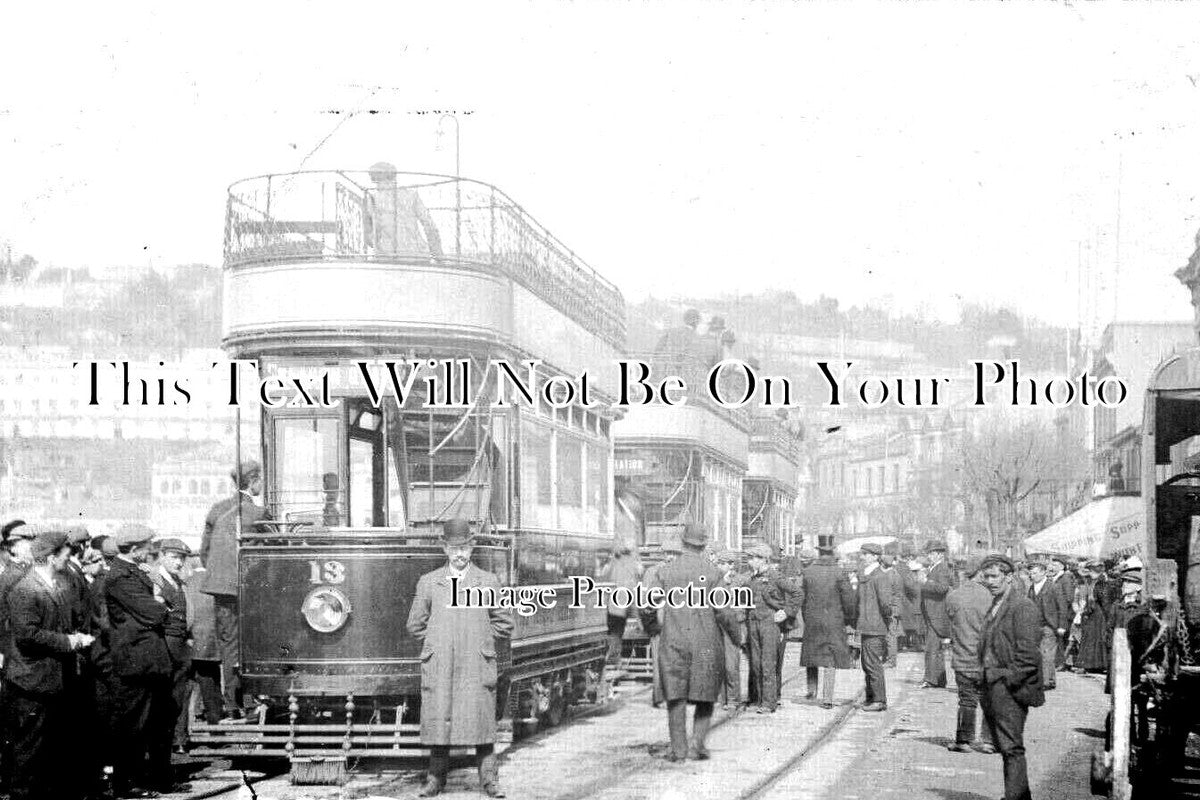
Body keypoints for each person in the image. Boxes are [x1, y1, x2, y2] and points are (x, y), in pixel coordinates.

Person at [406, 519, 513, 798]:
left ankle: (489, 781)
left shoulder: (487, 581)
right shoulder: (429, 583)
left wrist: (479, 640)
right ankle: (435, 780)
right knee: (440, 720)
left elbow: (504, 623)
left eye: (464, 547)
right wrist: (438, 643)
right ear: (445, 549)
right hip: (442, 665)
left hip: (475, 665)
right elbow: (415, 625)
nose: (460, 553)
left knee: (481, 723)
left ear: (472, 547)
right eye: (454, 548)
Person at [6, 527, 95, 800]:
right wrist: (70, 641)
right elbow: (27, 635)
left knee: (51, 750)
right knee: (30, 750)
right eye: (66, 554)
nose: (69, 558)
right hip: (32, 681)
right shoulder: (26, 589)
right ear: (52, 556)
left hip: (54, 680)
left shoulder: (57, 585)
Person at [641, 521, 738, 761]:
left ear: (683, 542)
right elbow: (724, 612)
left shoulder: (665, 571)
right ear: (704, 545)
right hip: (706, 644)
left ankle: (679, 749)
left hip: (673, 641)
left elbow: (646, 607)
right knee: (706, 695)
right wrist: (737, 636)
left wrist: (652, 628)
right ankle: (697, 743)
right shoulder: (714, 573)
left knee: (676, 696)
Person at [104, 523, 174, 797]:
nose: (151, 551)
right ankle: (126, 784)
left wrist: (159, 601)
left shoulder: (133, 572)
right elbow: (155, 613)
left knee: (153, 722)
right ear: (134, 550)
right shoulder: (120, 577)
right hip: (136, 662)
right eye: (148, 547)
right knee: (133, 725)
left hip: (149, 660)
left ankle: (150, 780)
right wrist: (159, 600)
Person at [200, 460, 269, 721]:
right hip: (247, 592)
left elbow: (205, 554)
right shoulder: (259, 514)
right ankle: (251, 702)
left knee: (229, 647)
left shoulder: (217, 510)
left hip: (220, 590)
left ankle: (231, 704)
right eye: (259, 479)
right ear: (253, 481)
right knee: (252, 645)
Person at [977, 554, 1044, 800]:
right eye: (986, 577)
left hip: (1008, 687)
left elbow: (1028, 654)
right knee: (1007, 747)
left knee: (1011, 746)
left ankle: (1015, 797)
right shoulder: (998, 603)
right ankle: (1018, 795)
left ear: (1009, 577)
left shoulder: (1022, 606)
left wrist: (1006, 681)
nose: (990, 582)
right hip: (995, 684)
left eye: (995, 576)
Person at [797, 536, 856, 709]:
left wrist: (807, 616)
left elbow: (802, 598)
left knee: (812, 653)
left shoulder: (808, 572)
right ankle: (827, 697)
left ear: (819, 551)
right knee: (830, 656)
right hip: (834, 620)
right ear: (832, 552)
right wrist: (850, 619)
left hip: (813, 619)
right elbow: (849, 600)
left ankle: (811, 690)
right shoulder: (840, 572)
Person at [945, 557, 996, 754]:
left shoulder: (954, 595)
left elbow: (948, 621)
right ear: (981, 573)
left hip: (963, 656)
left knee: (966, 699)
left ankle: (963, 740)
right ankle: (989, 741)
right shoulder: (992, 596)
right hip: (987, 658)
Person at [151, 539, 193, 762]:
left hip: (180, 643)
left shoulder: (178, 582)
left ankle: (178, 739)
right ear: (162, 556)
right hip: (164, 643)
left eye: (182, 558)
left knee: (180, 694)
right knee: (164, 696)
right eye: (174, 557)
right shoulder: (154, 580)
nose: (178, 562)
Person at [364, 161, 444, 257]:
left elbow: (370, 238)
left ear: (374, 179)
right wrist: (438, 254)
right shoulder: (411, 195)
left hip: (386, 258)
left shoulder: (373, 199)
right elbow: (429, 225)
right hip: (416, 254)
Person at [744, 543, 788, 714]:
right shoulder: (752, 579)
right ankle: (761, 699)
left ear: (762, 560)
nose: (749, 562)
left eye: (752, 558)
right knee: (756, 663)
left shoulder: (776, 577)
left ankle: (769, 702)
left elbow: (796, 594)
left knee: (768, 663)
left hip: (769, 624)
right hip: (754, 624)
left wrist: (785, 612)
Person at [855, 543, 894, 712]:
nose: (861, 557)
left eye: (864, 554)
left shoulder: (879, 576)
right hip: (867, 625)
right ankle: (871, 698)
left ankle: (879, 700)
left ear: (874, 556)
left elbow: (886, 604)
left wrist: (884, 620)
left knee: (873, 664)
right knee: (866, 663)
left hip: (875, 627)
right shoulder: (867, 575)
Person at [600, 542, 641, 673]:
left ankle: (614, 657)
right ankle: (615, 657)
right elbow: (637, 579)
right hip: (625, 603)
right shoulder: (633, 564)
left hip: (613, 604)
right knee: (619, 631)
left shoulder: (613, 563)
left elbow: (604, 576)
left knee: (615, 631)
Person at [1026, 560, 1067, 690]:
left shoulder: (1053, 587)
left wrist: (1062, 626)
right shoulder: (1032, 588)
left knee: (1047, 653)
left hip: (1050, 625)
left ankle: (1046, 682)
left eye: (1035, 573)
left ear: (1043, 573)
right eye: (1031, 573)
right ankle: (1048, 679)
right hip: (1035, 625)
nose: (1032, 575)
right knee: (1040, 653)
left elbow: (1062, 606)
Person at [919, 540, 954, 688]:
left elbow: (942, 588)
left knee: (932, 648)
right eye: (929, 553)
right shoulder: (934, 568)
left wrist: (926, 582)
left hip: (937, 613)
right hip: (932, 612)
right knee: (936, 648)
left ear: (940, 554)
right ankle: (939, 679)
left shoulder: (943, 568)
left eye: (932, 553)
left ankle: (931, 679)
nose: (929, 556)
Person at [714, 549, 746, 710]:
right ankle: (721, 698)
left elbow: (742, 608)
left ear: (731, 565)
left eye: (723, 563)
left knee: (731, 664)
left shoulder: (739, 582)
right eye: (718, 563)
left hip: (732, 627)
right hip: (716, 626)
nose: (720, 566)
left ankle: (733, 699)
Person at [1046, 555, 1075, 671]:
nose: (1053, 567)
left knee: (1062, 639)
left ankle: (1061, 663)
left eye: (1056, 565)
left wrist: (1061, 606)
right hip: (1058, 611)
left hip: (1064, 612)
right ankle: (1059, 662)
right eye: (1053, 565)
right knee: (1059, 639)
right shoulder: (1057, 577)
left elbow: (1069, 597)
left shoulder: (1065, 578)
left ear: (1062, 566)